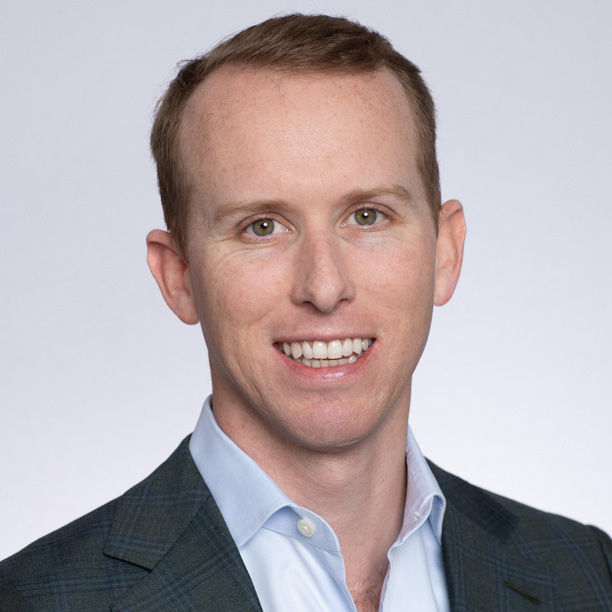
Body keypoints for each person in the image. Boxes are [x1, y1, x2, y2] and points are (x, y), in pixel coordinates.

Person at [1, 13, 610, 612]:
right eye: (262, 227)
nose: (324, 286)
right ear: (178, 276)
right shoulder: (31, 599)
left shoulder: (590, 575)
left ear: (445, 252)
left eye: (367, 216)